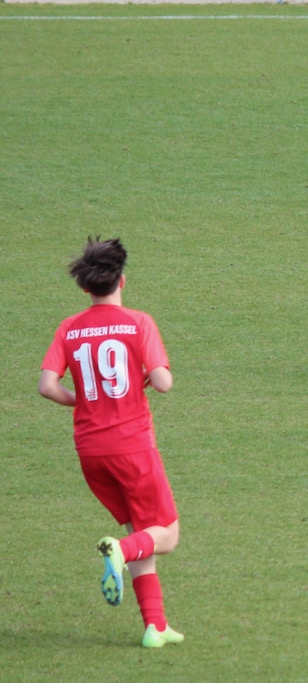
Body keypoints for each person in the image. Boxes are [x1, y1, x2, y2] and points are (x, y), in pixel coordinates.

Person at [38, 237, 184, 648]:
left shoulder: (69, 327)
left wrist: (79, 399)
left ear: (86, 288)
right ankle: (118, 550)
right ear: (123, 281)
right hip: (132, 446)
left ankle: (154, 627)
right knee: (165, 534)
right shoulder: (139, 322)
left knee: (142, 531)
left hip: (90, 451)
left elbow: (47, 386)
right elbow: (164, 382)